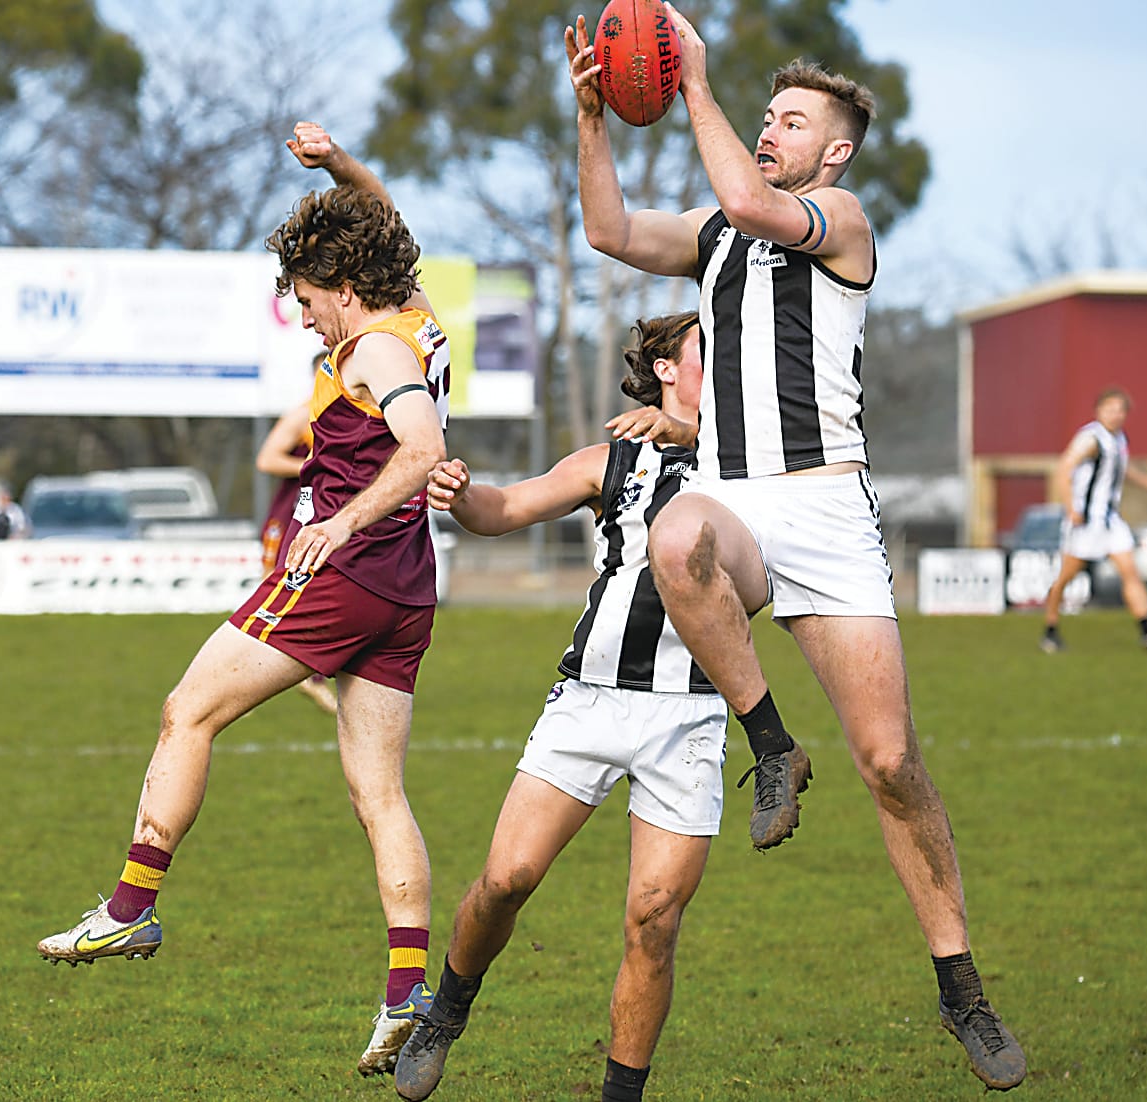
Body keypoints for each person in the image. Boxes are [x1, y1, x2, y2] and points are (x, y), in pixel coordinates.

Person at [566, 9, 1025, 1090]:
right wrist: (590, 117)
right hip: (735, 500)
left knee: (890, 763)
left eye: (791, 120)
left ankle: (961, 988)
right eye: (766, 115)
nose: (770, 129)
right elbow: (610, 232)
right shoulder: (716, 233)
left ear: (836, 150)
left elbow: (747, 201)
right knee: (678, 533)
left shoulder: (842, 218)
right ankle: (771, 743)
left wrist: (693, 81)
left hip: (827, 510)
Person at [35, 120, 452, 1079]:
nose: (304, 317)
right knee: (380, 794)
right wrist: (338, 164)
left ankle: (130, 909)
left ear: (343, 286)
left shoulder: (372, 352)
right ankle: (405, 996)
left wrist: (339, 525)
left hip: (342, 577)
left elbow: (423, 448)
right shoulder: (415, 316)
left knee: (188, 710)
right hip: (407, 589)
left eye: (305, 298)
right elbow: (385, 218)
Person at [395, 314, 721, 1102]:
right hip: (591, 701)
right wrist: (462, 494)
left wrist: (689, 432)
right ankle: (447, 1010)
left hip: (689, 714)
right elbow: (504, 509)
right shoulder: (613, 461)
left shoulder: (752, 465)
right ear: (666, 368)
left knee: (654, 920)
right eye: (710, 352)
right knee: (506, 879)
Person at [1040, 388, 1147, 653]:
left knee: (1129, 571)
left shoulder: (1118, 439)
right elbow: (1063, 468)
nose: (1115, 415)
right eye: (1109, 409)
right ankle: (1050, 629)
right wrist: (1071, 508)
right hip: (1085, 522)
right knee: (1066, 578)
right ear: (1098, 411)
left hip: (1111, 521)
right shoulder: (1091, 439)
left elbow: (1122, 468)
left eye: (1120, 410)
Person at [257, 353, 340, 714]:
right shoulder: (303, 415)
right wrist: (311, 465)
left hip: (326, 519)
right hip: (289, 515)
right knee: (274, 590)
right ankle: (244, 675)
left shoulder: (353, 417)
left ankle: (312, 674)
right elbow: (267, 459)